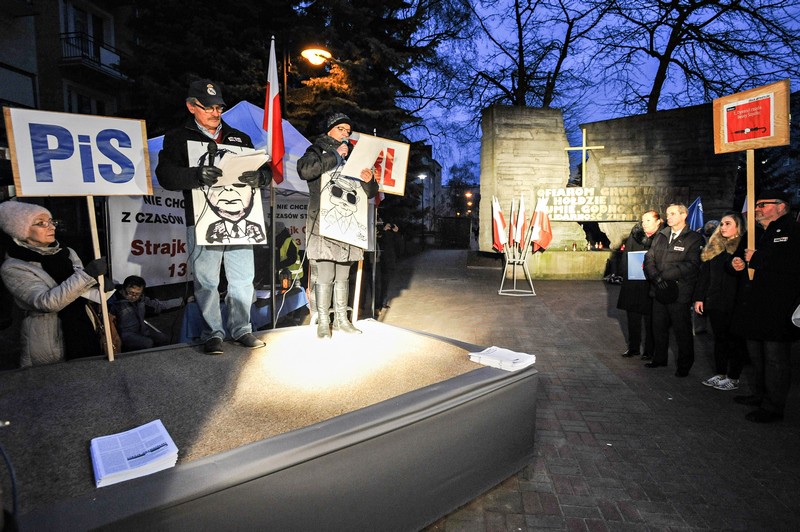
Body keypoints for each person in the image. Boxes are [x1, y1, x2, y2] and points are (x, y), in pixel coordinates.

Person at [156, 79, 270, 354]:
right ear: (191, 107)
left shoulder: (239, 137)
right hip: (202, 219)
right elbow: (165, 175)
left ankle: (242, 329)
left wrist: (261, 177)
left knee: (243, 277)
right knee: (206, 280)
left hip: (242, 221)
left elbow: (265, 171)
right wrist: (194, 176)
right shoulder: (177, 138)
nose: (215, 113)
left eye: (218, 107)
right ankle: (212, 333)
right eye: (207, 108)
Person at [297, 113, 379, 338]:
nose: (346, 133)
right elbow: (305, 171)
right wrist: (334, 155)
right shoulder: (316, 149)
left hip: (349, 222)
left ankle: (342, 319)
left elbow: (371, 193)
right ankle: (324, 321)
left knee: (343, 274)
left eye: (348, 130)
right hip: (323, 221)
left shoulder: (355, 155)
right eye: (341, 128)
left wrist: (369, 179)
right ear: (330, 129)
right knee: (325, 274)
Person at [0, 200, 108, 367]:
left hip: (82, 327)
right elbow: (46, 303)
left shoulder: (66, 252)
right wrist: (87, 275)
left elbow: (77, 289)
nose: (51, 227)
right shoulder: (14, 266)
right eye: (41, 223)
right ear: (21, 230)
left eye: (51, 221)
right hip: (50, 339)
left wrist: (97, 286)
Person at [730, 190, 800, 423]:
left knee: (775, 359)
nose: (757, 208)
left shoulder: (793, 231)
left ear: (781, 206)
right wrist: (738, 263)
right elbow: (743, 258)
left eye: (763, 204)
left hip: (778, 308)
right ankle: (760, 394)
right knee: (757, 356)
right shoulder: (757, 233)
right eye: (757, 204)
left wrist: (757, 258)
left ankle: (774, 406)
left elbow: (791, 265)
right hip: (755, 306)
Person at [643, 203, 703, 376]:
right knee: (658, 327)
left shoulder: (694, 238)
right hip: (659, 290)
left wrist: (665, 275)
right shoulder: (661, 235)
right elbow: (649, 258)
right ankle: (659, 359)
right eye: (668, 214)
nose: (668, 217)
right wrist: (655, 276)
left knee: (681, 330)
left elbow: (691, 265)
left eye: (672, 214)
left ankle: (684, 365)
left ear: (684, 215)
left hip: (679, 292)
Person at [692, 212, 746, 390]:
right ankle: (721, 373)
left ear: (738, 226)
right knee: (719, 339)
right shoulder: (713, 247)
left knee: (735, 341)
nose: (723, 227)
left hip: (735, 302)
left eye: (728, 224)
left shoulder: (743, 247)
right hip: (715, 301)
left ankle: (733, 377)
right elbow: (704, 276)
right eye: (721, 224)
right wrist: (699, 298)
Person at [617, 210, 662, 360]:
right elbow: (626, 255)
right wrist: (626, 274)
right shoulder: (635, 235)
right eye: (643, 221)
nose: (644, 224)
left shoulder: (662, 237)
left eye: (648, 221)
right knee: (633, 318)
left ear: (658, 222)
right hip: (634, 281)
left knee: (650, 320)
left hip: (651, 284)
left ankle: (649, 350)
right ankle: (633, 348)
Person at [107, 276, 171, 352]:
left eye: (137, 294)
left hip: (142, 331)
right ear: (123, 289)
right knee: (147, 343)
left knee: (163, 338)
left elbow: (158, 305)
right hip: (126, 335)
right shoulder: (114, 303)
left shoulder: (141, 298)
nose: (134, 297)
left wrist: (182, 301)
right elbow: (108, 321)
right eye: (131, 293)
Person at [377, 222, 401, 310]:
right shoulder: (381, 233)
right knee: (379, 282)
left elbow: (398, 246)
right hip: (379, 260)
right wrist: (383, 231)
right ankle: (378, 304)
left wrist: (396, 233)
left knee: (385, 282)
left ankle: (383, 302)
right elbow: (378, 241)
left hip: (388, 261)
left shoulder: (393, 235)